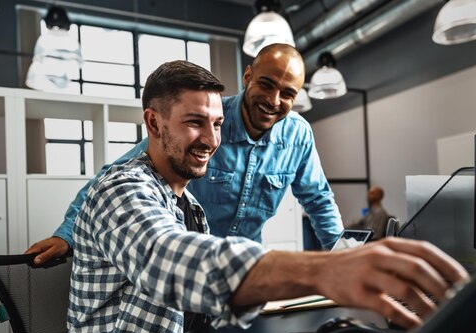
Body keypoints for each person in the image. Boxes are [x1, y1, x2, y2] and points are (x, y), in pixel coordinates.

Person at [65, 60, 468, 333]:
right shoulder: (122, 189)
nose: (210, 140)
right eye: (194, 123)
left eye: (217, 124)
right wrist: (326, 269)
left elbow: (318, 198)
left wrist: (319, 276)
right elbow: (167, 259)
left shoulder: (188, 203)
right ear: (153, 123)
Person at [26, 43, 343, 265]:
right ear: (247, 77)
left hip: (244, 266)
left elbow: (319, 201)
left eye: (287, 93)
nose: (274, 100)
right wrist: (67, 234)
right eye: (266, 85)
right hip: (188, 261)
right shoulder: (205, 119)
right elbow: (118, 173)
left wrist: (345, 256)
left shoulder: (298, 135)